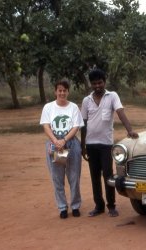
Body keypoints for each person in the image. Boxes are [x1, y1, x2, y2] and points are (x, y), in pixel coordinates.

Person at [81, 68, 139, 217]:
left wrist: (130, 130)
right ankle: (98, 206)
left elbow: (120, 113)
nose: (97, 86)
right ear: (91, 84)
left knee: (107, 175)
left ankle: (111, 205)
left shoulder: (112, 96)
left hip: (106, 144)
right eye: (94, 83)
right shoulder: (86, 101)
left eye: (100, 82)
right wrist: (83, 146)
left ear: (104, 82)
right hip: (91, 144)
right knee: (94, 176)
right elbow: (84, 123)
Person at [40, 79, 84, 219]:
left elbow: (76, 126)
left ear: (68, 92)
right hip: (55, 144)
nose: (62, 93)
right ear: (55, 91)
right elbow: (46, 125)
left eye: (65, 90)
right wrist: (56, 141)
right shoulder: (48, 107)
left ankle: (75, 205)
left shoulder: (73, 107)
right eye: (59, 90)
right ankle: (62, 207)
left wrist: (64, 140)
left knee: (74, 176)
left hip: (71, 143)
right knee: (57, 177)